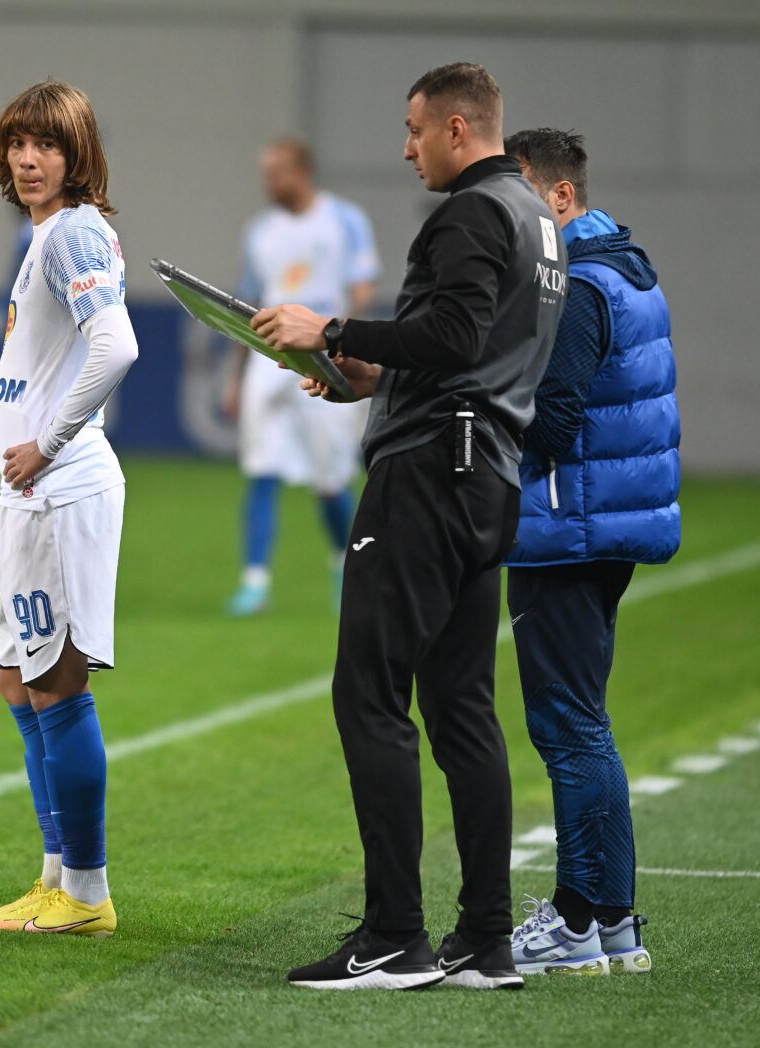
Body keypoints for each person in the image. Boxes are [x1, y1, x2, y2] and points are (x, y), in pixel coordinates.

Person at [255, 62, 567, 990]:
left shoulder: (470, 212)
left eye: (415, 129)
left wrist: (334, 332)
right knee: (463, 709)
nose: (406, 148)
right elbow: (478, 351)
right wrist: (377, 375)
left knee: (370, 694)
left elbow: (455, 338)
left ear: (458, 129)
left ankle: (394, 936)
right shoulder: (538, 219)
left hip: (429, 477)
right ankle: (485, 940)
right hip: (489, 477)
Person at [501, 128, 680, 977]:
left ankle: (576, 922)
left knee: (568, 727)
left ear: (561, 197)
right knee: (585, 725)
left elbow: (554, 421)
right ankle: (610, 920)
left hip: (566, 531)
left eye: (520, 196)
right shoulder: (626, 271)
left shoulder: (575, 284)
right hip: (600, 526)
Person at [0, 80, 138, 938]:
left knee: (56, 684)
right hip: (26, 495)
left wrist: (49, 440)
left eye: (46, 144)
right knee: (20, 678)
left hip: (61, 489)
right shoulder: (48, 234)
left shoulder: (72, 230)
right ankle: (55, 875)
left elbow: (118, 345)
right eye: (18, 143)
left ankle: (85, 890)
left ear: (78, 155)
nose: (28, 159)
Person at [224, 138, 380, 616]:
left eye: (276, 172)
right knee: (261, 468)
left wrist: (339, 339)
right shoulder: (260, 232)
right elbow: (249, 304)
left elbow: (363, 288)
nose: (268, 182)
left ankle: (344, 563)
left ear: (302, 172)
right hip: (270, 358)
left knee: (330, 478)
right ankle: (255, 582)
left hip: (325, 356)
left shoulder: (345, 220)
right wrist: (237, 376)